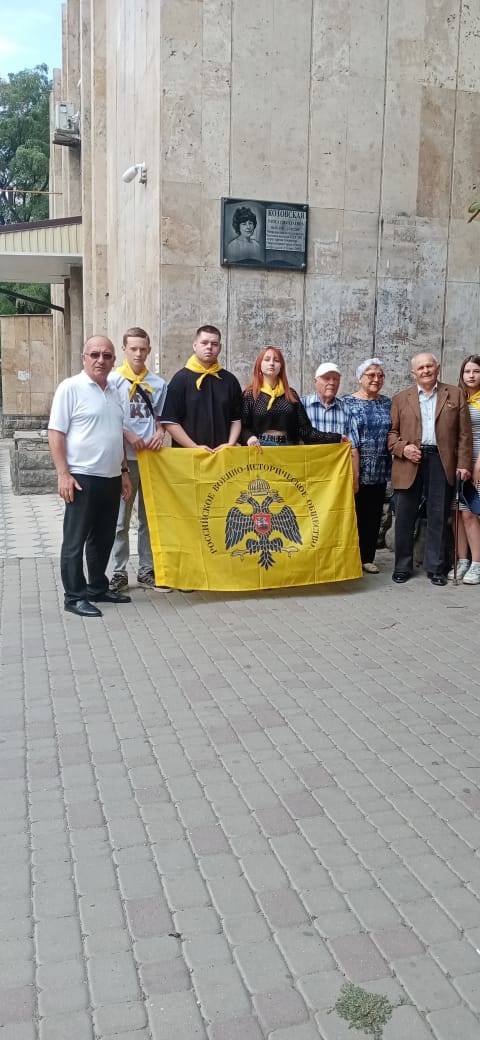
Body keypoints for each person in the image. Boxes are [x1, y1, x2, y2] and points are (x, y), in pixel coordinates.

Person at [48, 336, 132, 618]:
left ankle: (97, 587)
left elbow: (116, 435)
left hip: (111, 477)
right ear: (84, 358)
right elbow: (56, 433)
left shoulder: (116, 391)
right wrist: (63, 474)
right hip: (81, 478)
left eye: (107, 355)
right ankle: (74, 597)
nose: (101, 360)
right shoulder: (70, 388)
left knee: (103, 538)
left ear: (114, 360)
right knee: (75, 541)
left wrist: (124, 472)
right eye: (94, 354)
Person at [388, 352, 472, 586]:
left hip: (441, 461)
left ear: (438, 368)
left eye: (429, 366)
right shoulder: (400, 398)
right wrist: (403, 448)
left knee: (439, 515)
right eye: (420, 368)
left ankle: (436, 567)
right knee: (404, 517)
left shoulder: (454, 394)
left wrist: (463, 464)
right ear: (413, 373)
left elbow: (464, 434)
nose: (425, 370)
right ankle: (402, 567)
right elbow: (391, 434)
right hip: (409, 461)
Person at [108, 326, 168, 594]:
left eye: (143, 349)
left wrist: (160, 432)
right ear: (124, 349)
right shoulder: (113, 382)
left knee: (149, 517)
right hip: (124, 460)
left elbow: (162, 418)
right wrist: (127, 433)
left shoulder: (158, 384)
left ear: (149, 350)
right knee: (121, 519)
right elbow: (108, 417)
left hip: (152, 458)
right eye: (133, 348)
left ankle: (146, 569)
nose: (138, 354)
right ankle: (119, 571)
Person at [343, 358, 392, 573]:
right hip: (354, 467)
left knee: (373, 515)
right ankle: (348, 558)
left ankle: (367, 557)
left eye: (380, 375)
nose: (376, 379)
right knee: (351, 514)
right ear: (360, 378)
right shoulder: (347, 402)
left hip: (379, 468)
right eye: (371, 375)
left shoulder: (387, 403)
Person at [161, 324, 243, 450]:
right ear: (195, 346)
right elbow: (170, 421)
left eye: (214, 344)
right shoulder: (180, 379)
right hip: (189, 455)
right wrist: (194, 447)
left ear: (220, 348)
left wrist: (230, 444)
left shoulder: (230, 380)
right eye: (204, 343)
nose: (209, 347)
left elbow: (236, 419)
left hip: (223, 454)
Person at [241, 347, 342, 446]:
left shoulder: (291, 394)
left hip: (287, 450)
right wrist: (249, 437)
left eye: (276, 360)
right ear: (259, 365)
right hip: (259, 448)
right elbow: (241, 427)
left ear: (281, 366)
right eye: (267, 359)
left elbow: (306, 432)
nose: (271, 363)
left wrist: (337, 438)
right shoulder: (250, 394)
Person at [448, 355, 480, 584]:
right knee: (457, 512)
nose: (471, 375)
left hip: (478, 460)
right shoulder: (457, 397)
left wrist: (478, 463)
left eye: (476, 371)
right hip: (459, 462)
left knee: (471, 512)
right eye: (467, 371)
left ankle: (477, 563)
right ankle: (462, 560)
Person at [301, 362, 360, 487]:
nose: (332, 383)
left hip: (335, 479)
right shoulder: (302, 405)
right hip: (307, 476)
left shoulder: (345, 409)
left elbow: (353, 448)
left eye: (335, 379)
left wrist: (355, 479)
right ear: (315, 381)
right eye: (327, 378)